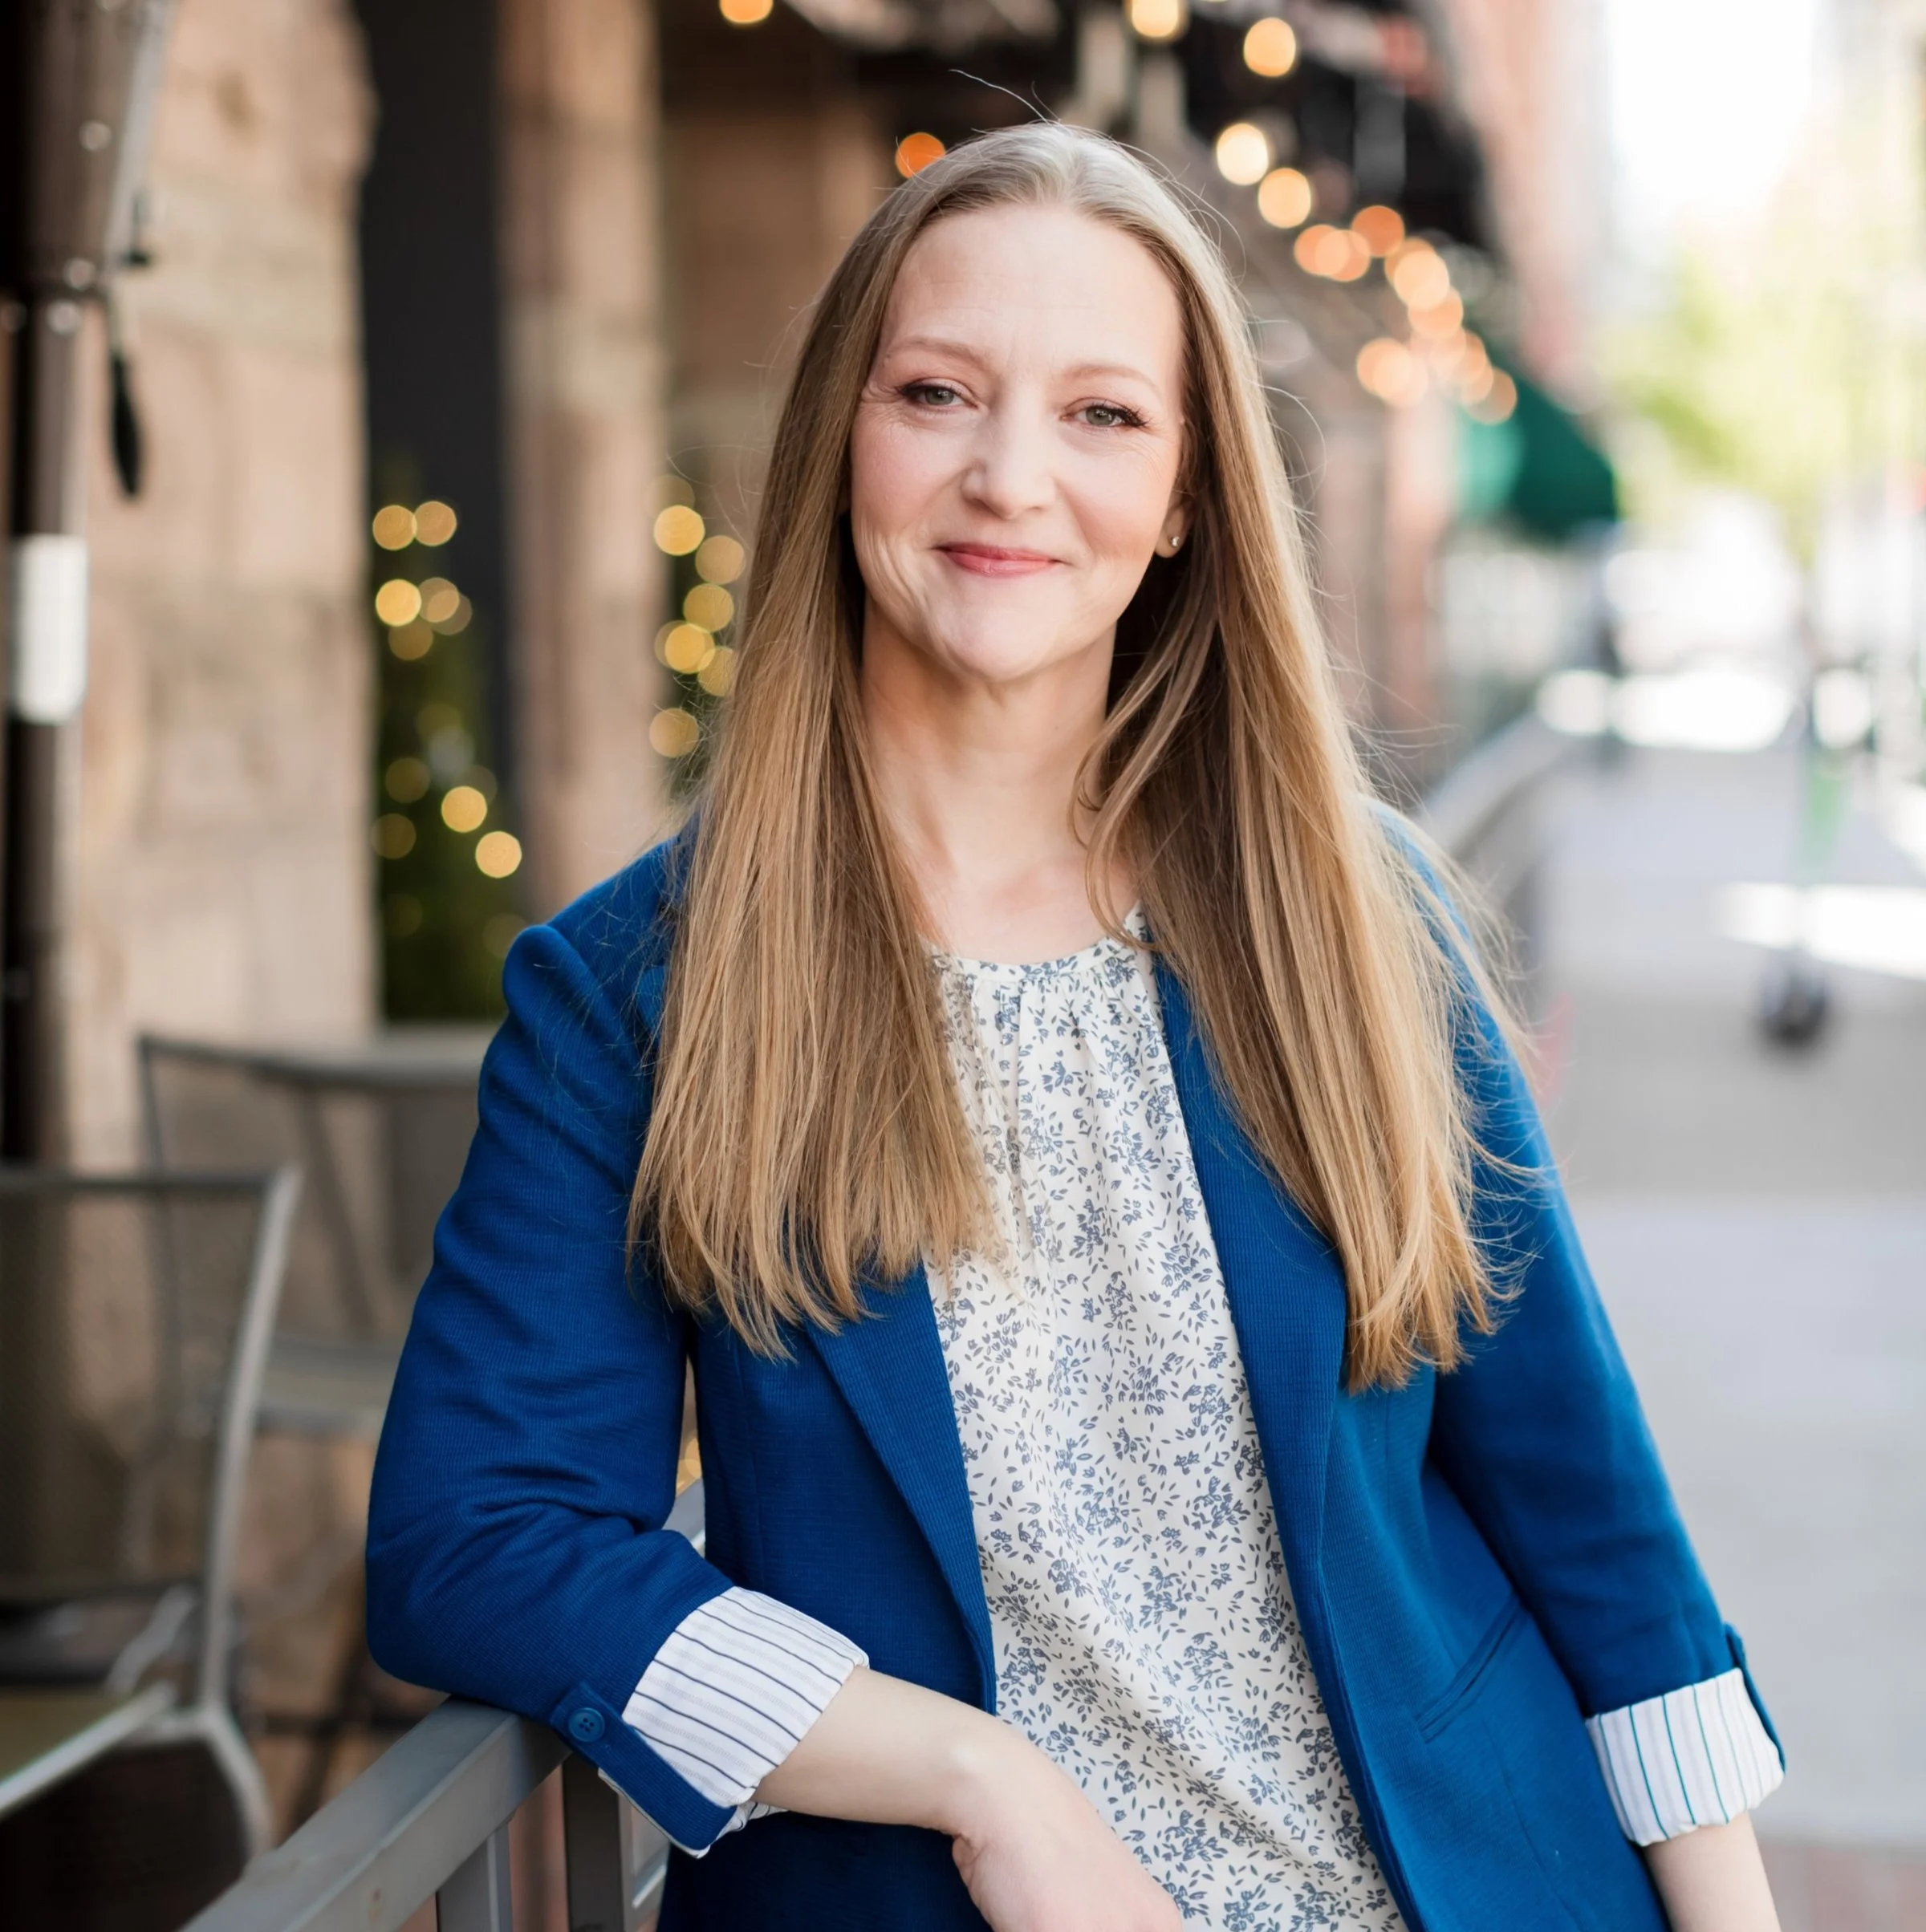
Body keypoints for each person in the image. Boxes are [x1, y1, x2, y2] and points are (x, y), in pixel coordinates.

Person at [367, 125, 1786, 1931]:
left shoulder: (1352, 923)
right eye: (938, 393)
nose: (1009, 478)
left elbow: (1593, 1516)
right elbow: (473, 1534)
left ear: (1187, 493)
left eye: (1103, 415)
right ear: (841, 440)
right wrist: (976, 1777)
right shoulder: (646, 988)